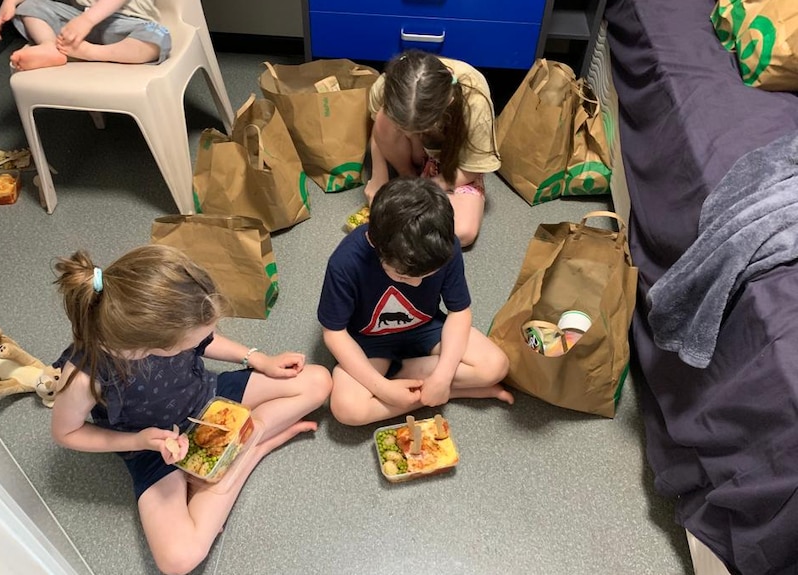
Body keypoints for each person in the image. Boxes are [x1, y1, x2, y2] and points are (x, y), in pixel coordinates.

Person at [50, 244, 331, 575]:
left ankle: (236, 449)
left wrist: (257, 359)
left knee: (318, 381)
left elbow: (206, 339)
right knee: (178, 560)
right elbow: (66, 432)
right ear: (155, 346)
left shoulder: (167, 326)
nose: (201, 342)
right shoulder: (86, 375)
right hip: (154, 448)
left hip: (207, 399)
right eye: (189, 342)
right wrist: (140, 442)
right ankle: (252, 449)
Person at [320, 177, 513, 426]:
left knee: (496, 366)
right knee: (348, 410)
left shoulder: (444, 245)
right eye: (403, 276)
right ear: (375, 244)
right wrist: (383, 388)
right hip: (368, 343)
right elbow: (334, 333)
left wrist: (443, 377)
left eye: (427, 276)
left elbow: (459, 312)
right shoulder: (345, 263)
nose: (417, 284)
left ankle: (420, 381)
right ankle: (452, 391)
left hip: (425, 328)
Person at [354, 49, 501, 248]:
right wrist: (379, 178)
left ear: (447, 103)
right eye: (403, 127)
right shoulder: (386, 85)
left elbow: (473, 168)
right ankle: (408, 175)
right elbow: (378, 130)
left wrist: (430, 187)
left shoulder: (475, 101)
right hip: (414, 152)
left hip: (454, 161)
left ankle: (418, 180)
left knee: (462, 233)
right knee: (383, 116)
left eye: (420, 128)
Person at [0, 0, 172, 71]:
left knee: (158, 36)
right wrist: (10, 3)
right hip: (76, 24)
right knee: (29, 7)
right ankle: (50, 46)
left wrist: (87, 20)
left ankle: (91, 52)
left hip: (125, 23)